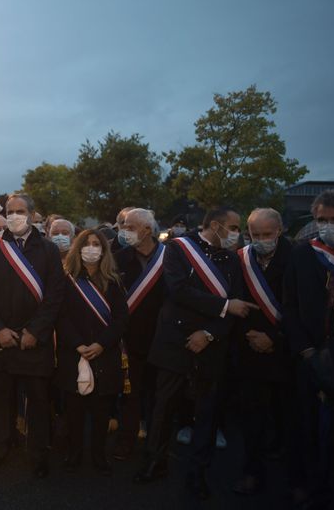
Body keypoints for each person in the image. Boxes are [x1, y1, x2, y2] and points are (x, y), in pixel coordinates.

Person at [134, 207, 255, 500]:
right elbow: (178, 290)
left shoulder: (231, 258)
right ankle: (155, 462)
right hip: (175, 341)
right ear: (215, 225)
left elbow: (238, 303)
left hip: (211, 344)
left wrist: (210, 332)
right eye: (234, 227)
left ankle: (198, 473)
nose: (237, 233)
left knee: (207, 414)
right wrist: (223, 307)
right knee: (164, 408)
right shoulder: (177, 249)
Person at [0, 194, 65, 478]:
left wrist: (35, 332)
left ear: (32, 214)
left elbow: (54, 296)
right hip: (1, 341)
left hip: (33, 342)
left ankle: (38, 454)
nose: (14, 216)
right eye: (10, 211)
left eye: (20, 211)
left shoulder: (48, 250)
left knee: (38, 403)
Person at [283, 190, 334, 508]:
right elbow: (289, 306)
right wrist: (304, 350)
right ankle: (308, 486)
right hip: (312, 354)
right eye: (322, 220)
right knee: (308, 426)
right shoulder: (303, 254)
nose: (329, 226)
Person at [55, 229, 128, 476]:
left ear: (104, 250)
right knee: (73, 410)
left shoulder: (114, 280)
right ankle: (74, 453)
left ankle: (98, 455)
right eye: (87, 244)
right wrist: (77, 344)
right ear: (78, 248)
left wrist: (101, 344)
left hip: (104, 353)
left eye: (97, 244)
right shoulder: (67, 279)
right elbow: (61, 316)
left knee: (100, 411)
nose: (92, 248)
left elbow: (121, 319)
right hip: (73, 352)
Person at [231, 208, 291, 495]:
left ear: (280, 231)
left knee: (289, 418)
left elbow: (305, 308)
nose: (261, 240)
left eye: (267, 234)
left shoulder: (298, 257)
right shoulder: (241, 259)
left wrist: (275, 339)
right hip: (249, 348)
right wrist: (251, 336)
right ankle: (251, 472)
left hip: (286, 351)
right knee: (251, 418)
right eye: (255, 235)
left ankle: (296, 478)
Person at [113, 208, 165, 460]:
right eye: (123, 226)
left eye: (130, 227)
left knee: (158, 397)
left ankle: (155, 447)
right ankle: (126, 440)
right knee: (130, 395)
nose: (124, 231)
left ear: (147, 229)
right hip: (129, 339)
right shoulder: (120, 258)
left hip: (162, 338)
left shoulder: (171, 257)